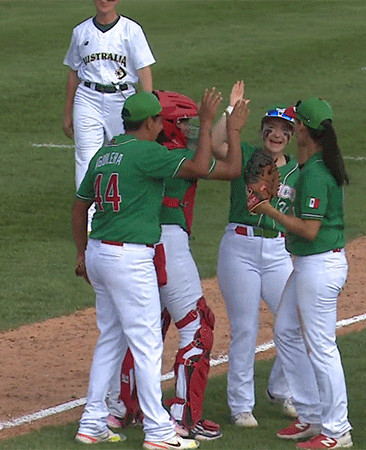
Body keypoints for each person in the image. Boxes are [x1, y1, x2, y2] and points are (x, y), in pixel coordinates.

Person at [72, 88, 233, 449]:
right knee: (146, 345)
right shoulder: (149, 153)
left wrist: (81, 254)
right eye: (159, 119)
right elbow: (197, 165)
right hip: (128, 258)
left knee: (110, 341)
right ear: (148, 122)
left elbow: (80, 205)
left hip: (98, 252)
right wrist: (208, 122)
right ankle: (160, 432)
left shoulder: (105, 151)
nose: (163, 125)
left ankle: (92, 421)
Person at [106, 89, 249, 440]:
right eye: (183, 122)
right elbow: (232, 168)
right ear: (166, 124)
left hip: (140, 246)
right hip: (168, 244)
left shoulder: (139, 153)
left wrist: (224, 112)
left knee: (148, 326)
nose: (190, 128)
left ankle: (124, 407)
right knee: (198, 327)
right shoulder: (175, 158)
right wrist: (233, 128)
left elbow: (202, 143)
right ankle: (183, 417)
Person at [252, 98, 353, 449]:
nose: (290, 127)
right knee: (286, 332)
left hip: (319, 266)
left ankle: (337, 429)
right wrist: (275, 193)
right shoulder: (312, 168)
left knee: (322, 348)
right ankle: (311, 414)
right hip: (309, 265)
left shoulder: (316, 173)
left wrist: (267, 208)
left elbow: (309, 230)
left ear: (303, 130)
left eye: (295, 123)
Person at [212, 81, 300, 428]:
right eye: (271, 128)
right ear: (262, 130)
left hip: (277, 250)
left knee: (294, 322)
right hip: (240, 248)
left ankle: (283, 388)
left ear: (291, 137)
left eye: (283, 130)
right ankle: (241, 406)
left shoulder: (298, 170)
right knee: (245, 328)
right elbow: (216, 145)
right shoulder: (246, 154)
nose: (276, 135)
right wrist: (231, 111)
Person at [63, 0, 156, 225]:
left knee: (125, 154)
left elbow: (144, 71)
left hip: (122, 99)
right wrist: (68, 112)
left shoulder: (131, 30)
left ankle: (123, 211)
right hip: (88, 98)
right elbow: (74, 72)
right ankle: (90, 220)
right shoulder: (81, 31)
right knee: (86, 158)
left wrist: (148, 109)